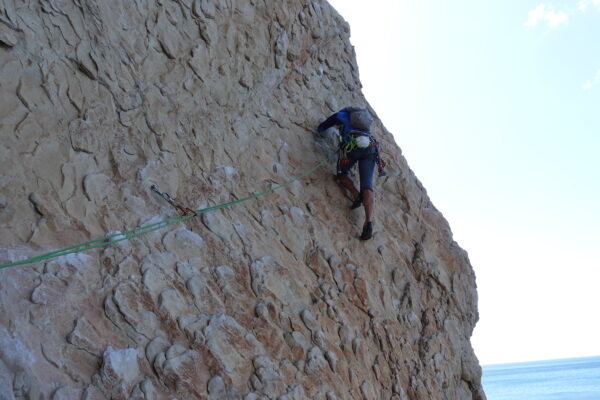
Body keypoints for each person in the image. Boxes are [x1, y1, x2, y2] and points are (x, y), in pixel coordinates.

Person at [317, 107, 378, 240]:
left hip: (352, 144)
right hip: (370, 146)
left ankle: (356, 195)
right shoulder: (364, 122)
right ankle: (368, 222)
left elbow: (324, 125)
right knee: (367, 186)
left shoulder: (342, 115)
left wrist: (320, 129)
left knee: (341, 174)